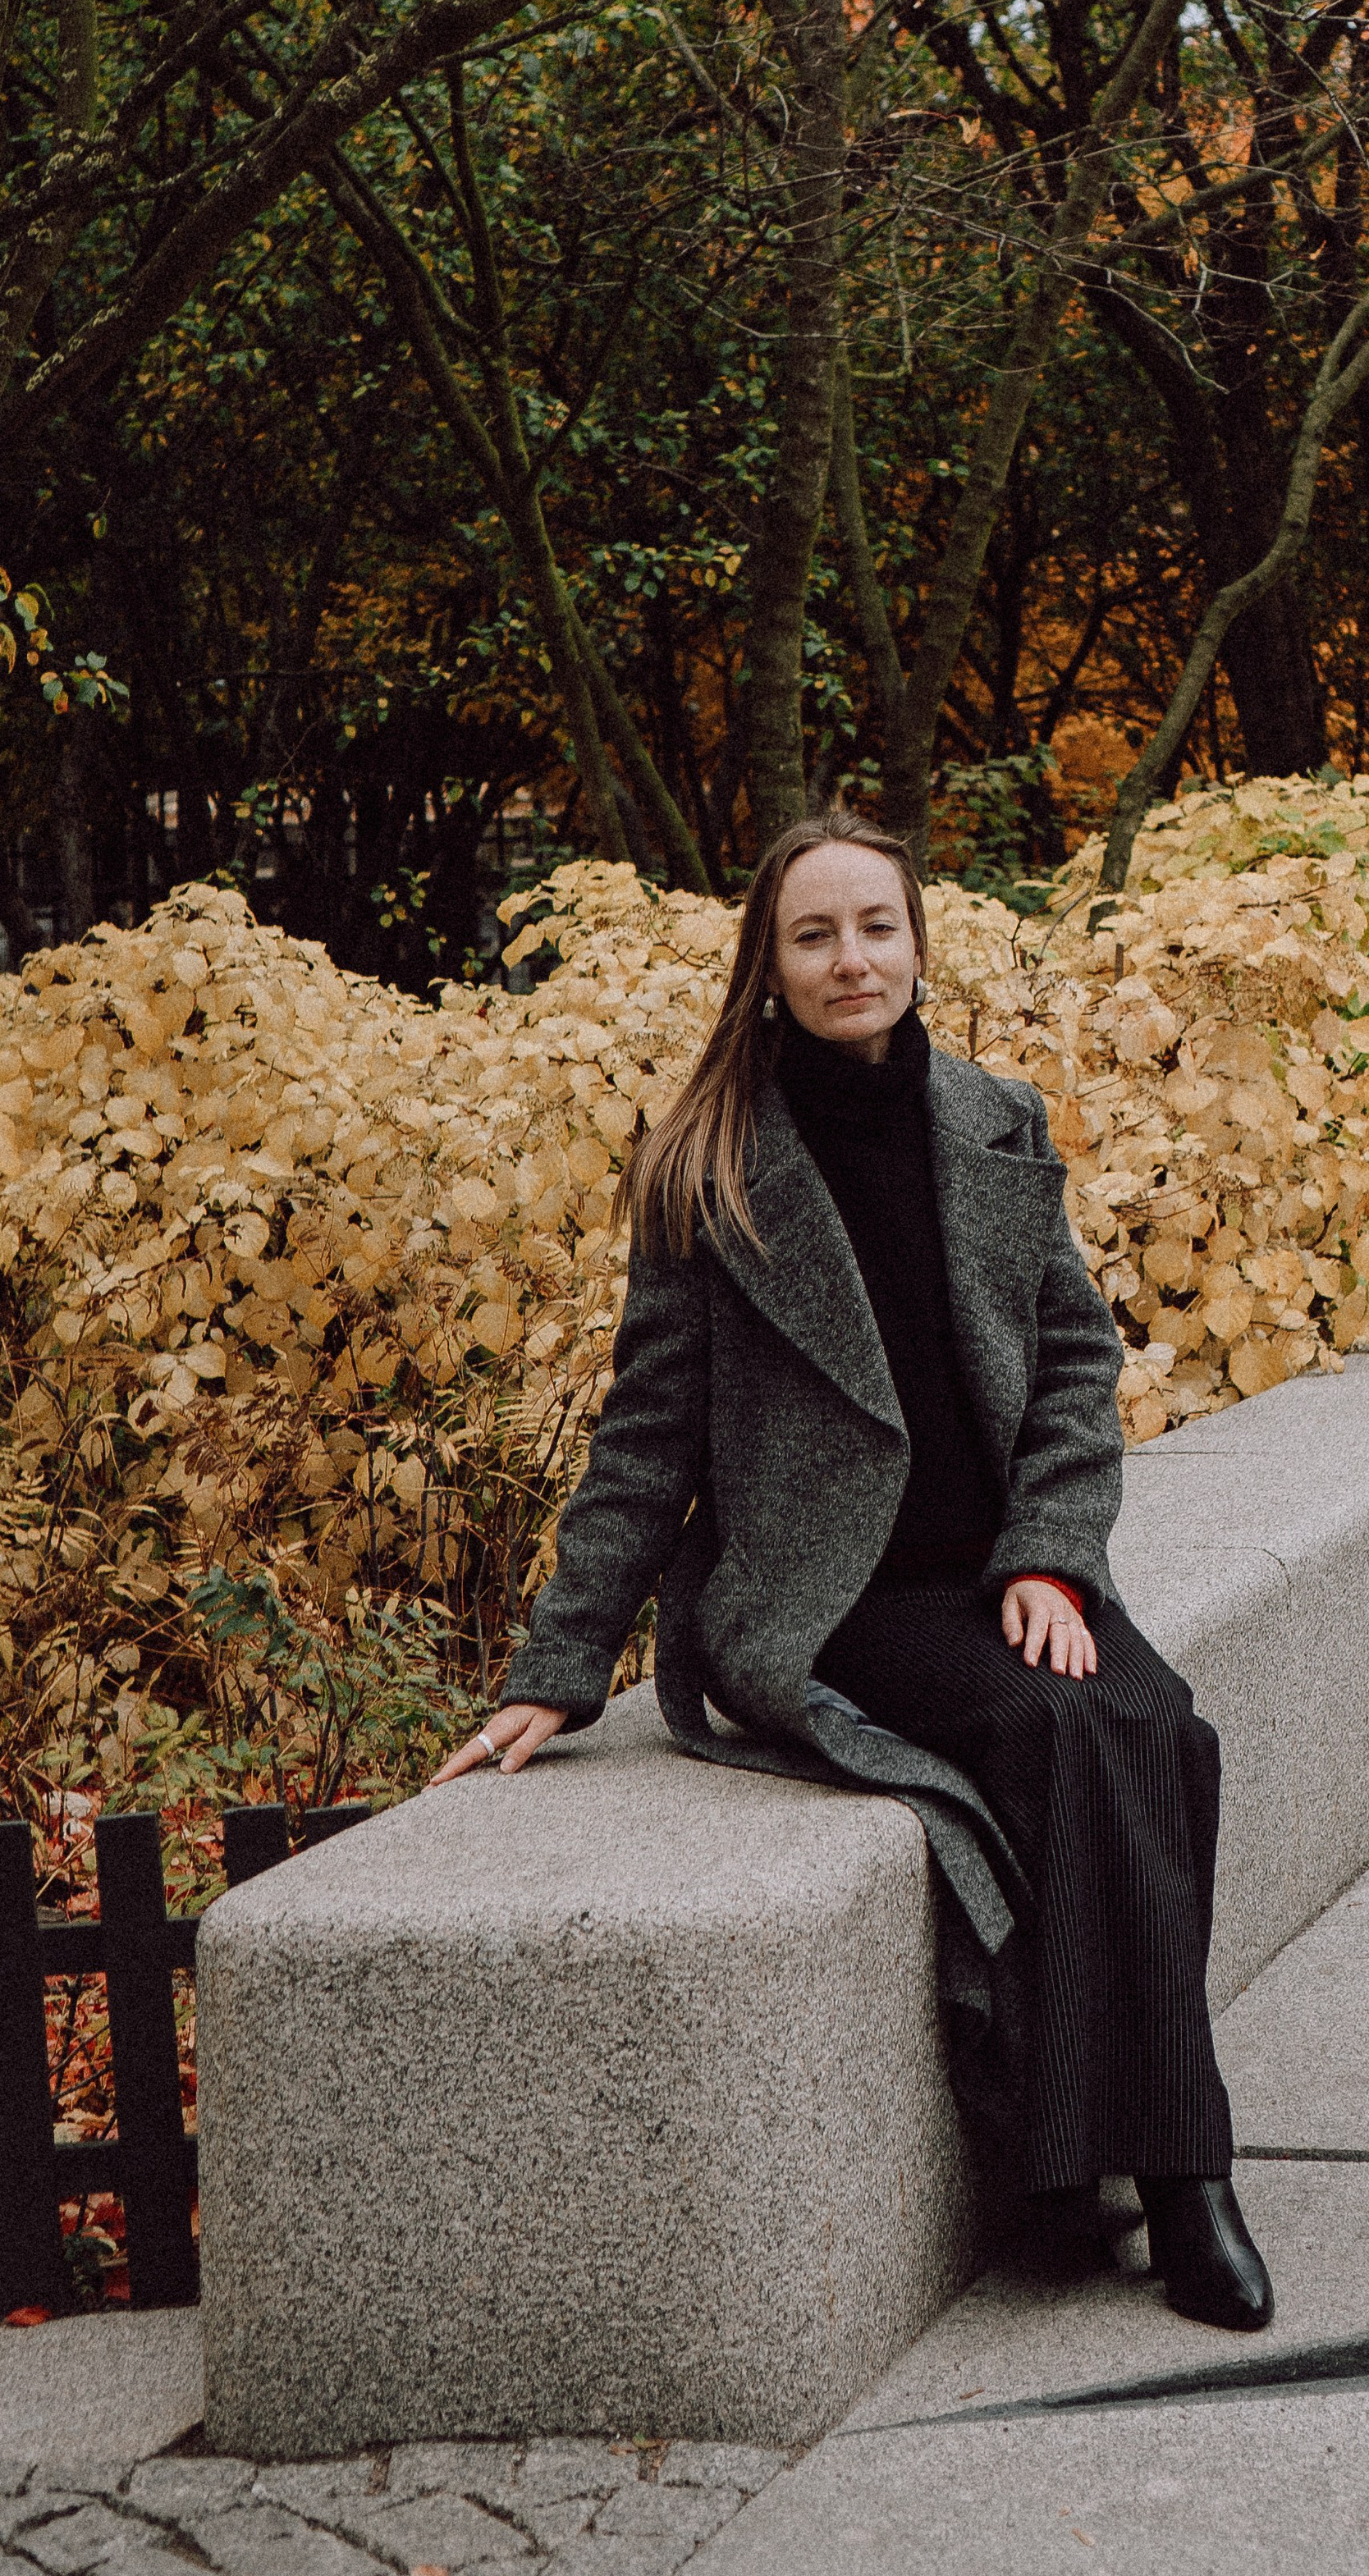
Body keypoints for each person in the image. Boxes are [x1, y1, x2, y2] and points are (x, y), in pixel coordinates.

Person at [432, 809, 1273, 2331]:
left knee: (1162, 1728)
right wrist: (557, 1669)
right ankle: (1185, 2182)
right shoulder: (708, 1165)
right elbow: (647, 1438)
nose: (850, 959)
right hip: (838, 1600)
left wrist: (1052, 1561)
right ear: (769, 965)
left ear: (917, 943)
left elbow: (1076, 1367)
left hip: (1001, 1573)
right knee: (1065, 1732)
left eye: (876, 927)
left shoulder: (996, 1119)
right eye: (813, 935)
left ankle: (1093, 2160)